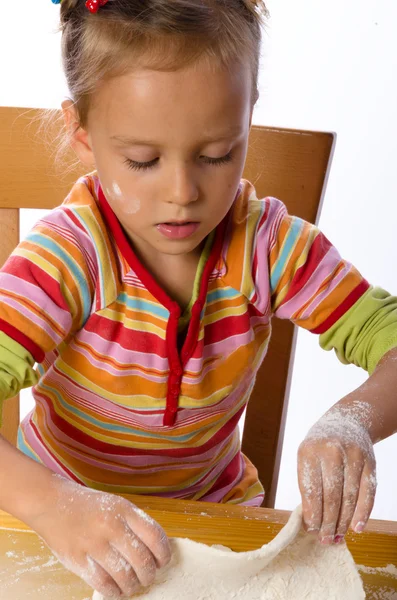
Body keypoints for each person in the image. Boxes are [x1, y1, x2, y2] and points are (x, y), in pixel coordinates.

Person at [1, 0, 396, 597]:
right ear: (82, 135)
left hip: (215, 517)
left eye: (217, 155)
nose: (183, 193)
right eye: (143, 160)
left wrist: (353, 420)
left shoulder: (268, 247)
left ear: (248, 117)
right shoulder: (68, 259)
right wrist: (51, 506)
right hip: (61, 518)